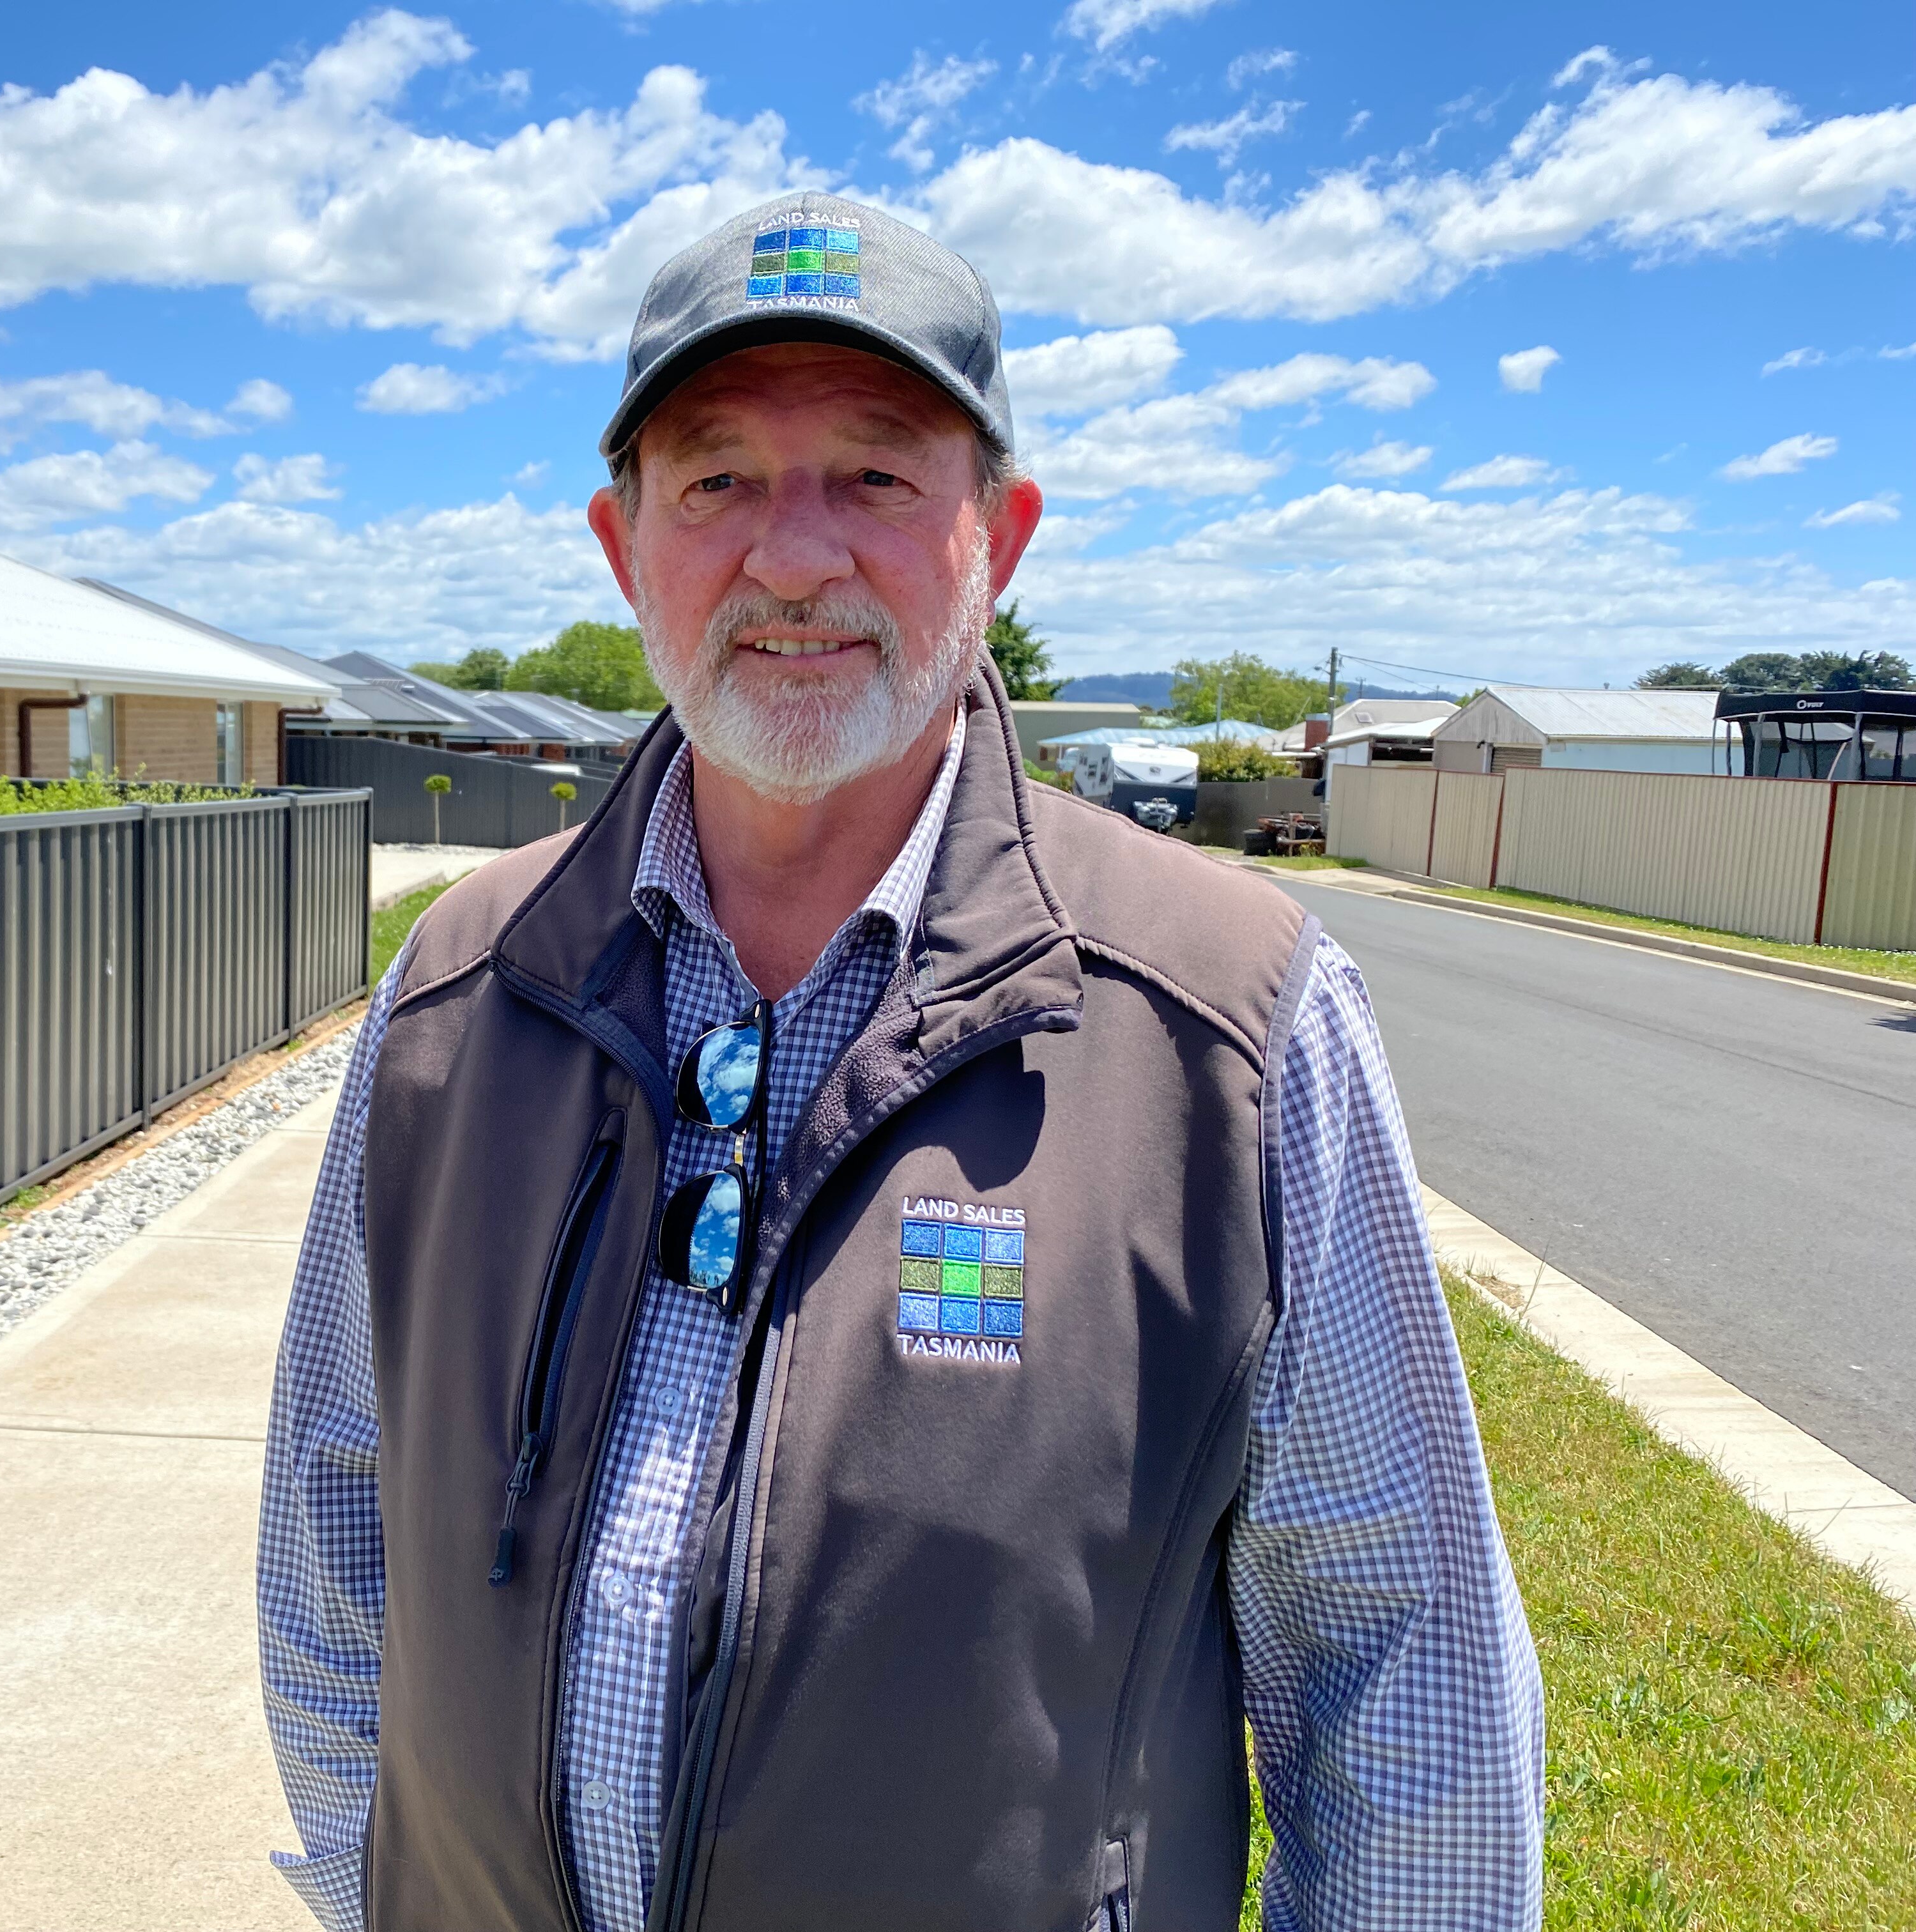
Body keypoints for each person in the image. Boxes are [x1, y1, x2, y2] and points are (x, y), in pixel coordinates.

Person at [258, 192, 1542, 1932]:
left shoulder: (1229, 1023)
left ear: (996, 540)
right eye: (715, 479)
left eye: (875, 476)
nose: (792, 557)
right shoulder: (459, 995)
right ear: (624, 544)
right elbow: (339, 1532)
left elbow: (1403, 1667)